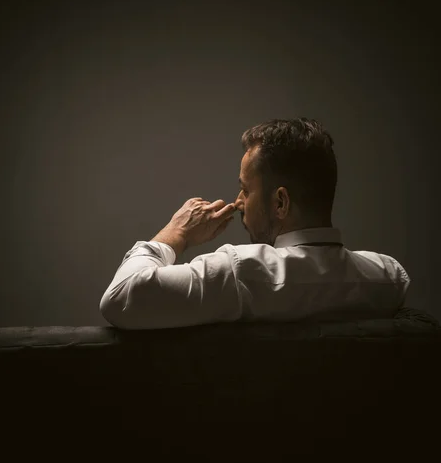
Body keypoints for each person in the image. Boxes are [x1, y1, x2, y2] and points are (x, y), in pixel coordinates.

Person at [100, 118, 410, 329]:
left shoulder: (240, 271)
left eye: (246, 190)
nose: (237, 202)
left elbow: (121, 297)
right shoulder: (389, 279)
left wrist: (175, 233)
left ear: (280, 203)